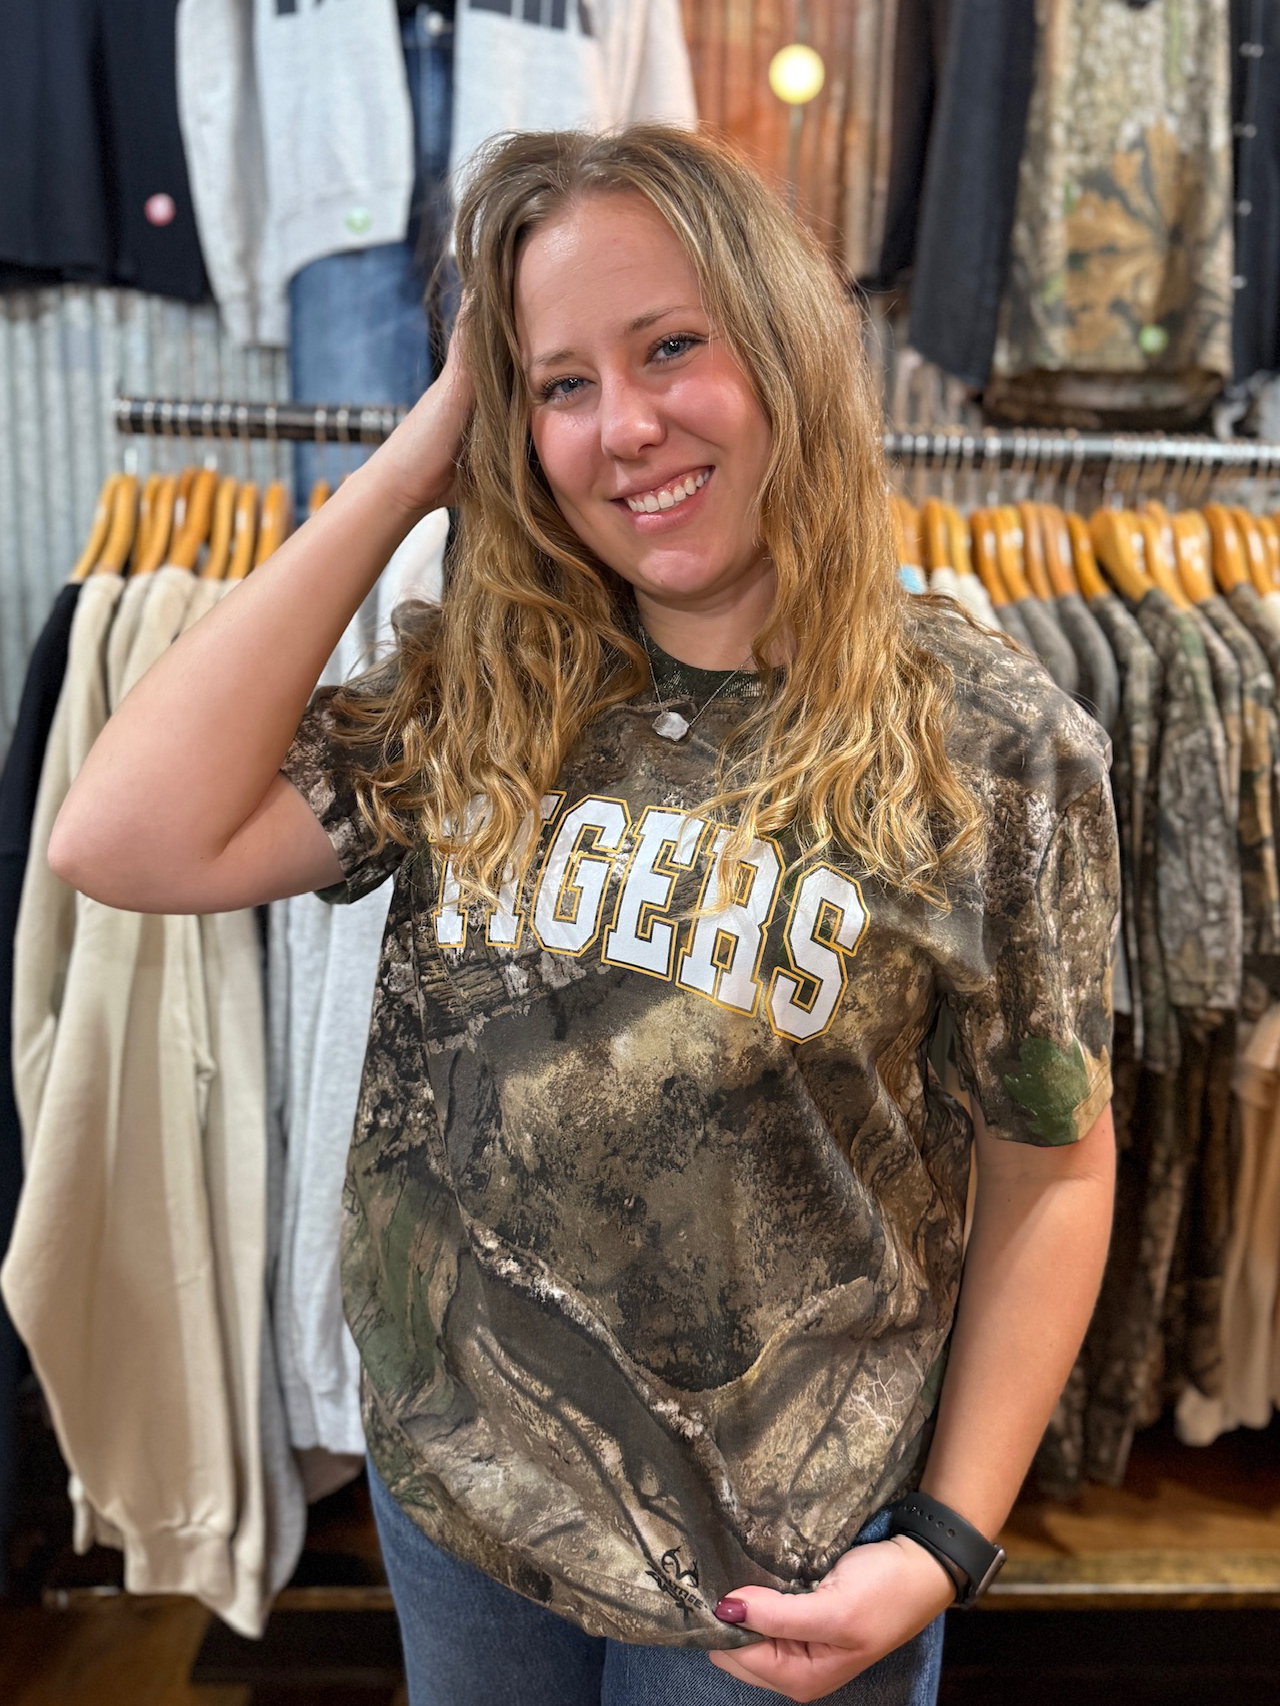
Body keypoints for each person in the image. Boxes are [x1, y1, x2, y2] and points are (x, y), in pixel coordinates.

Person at [50, 126, 1119, 1706]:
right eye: (559, 383)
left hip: (778, 1571)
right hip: (464, 1504)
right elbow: (121, 836)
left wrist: (947, 1542)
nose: (627, 427)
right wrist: (417, 461)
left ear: (781, 346)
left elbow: (1054, 1161)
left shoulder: (993, 742)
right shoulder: (484, 686)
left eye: (672, 347)